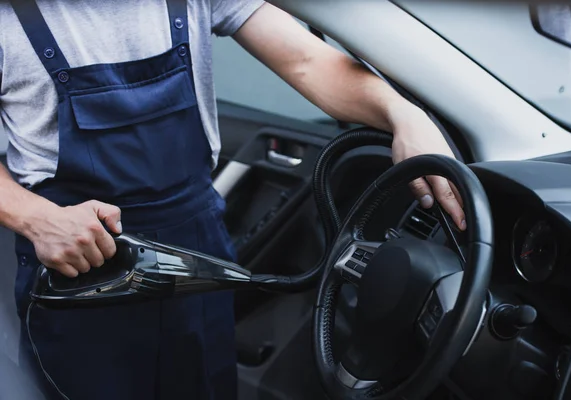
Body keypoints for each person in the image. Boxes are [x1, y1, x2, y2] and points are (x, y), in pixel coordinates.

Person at [0, 0, 466, 399]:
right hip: (79, 263)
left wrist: (402, 114)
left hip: (196, 246)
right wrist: (36, 218)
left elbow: (308, 60)